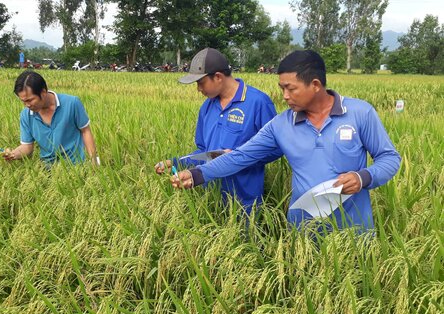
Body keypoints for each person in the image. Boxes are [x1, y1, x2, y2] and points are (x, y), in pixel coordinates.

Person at [171, 50, 401, 233]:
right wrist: (197, 174)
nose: (285, 96)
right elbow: (241, 156)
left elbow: (389, 158)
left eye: (291, 89)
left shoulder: (360, 113)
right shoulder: (281, 125)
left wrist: (363, 177)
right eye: (282, 89)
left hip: (355, 230)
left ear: (315, 85)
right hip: (303, 231)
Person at [155, 47, 278, 213]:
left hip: (245, 202)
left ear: (218, 77)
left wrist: (236, 156)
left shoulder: (258, 103)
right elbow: (205, 152)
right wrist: (176, 163)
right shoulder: (207, 107)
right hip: (211, 199)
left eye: (200, 82)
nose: (198, 89)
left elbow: (274, 149)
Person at [2, 70, 99, 165]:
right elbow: (27, 146)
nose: (27, 105)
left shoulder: (72, 103)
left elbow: (85, 131)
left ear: (43, 92)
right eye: (23, 101)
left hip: (76, 166)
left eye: (30, 100)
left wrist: (94, 161)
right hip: (47, 168)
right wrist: (14, 154)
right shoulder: (26, 115)